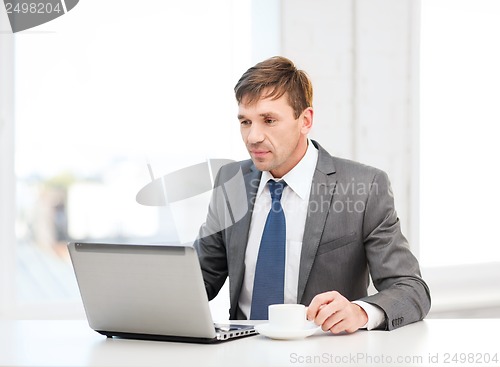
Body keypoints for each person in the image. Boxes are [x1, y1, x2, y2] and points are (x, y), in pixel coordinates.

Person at [194, 56, 430, 333]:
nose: (252, 137)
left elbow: (412, 289)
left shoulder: (365, 187)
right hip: (239, 350)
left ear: (305, 120)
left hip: (322, 353)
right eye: (245, 122)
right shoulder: (231, 181)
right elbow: (198, 278)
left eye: (269, 120)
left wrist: (360, 312)